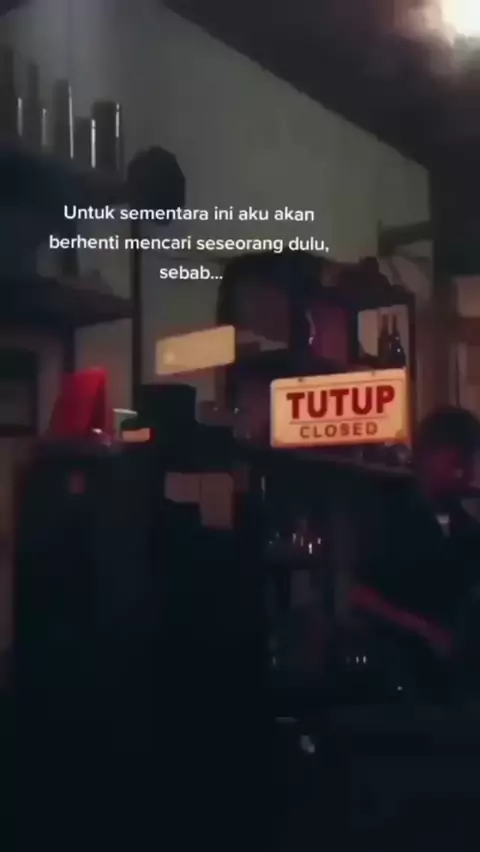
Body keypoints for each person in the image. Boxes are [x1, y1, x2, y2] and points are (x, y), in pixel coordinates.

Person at [351, 406, 480, 667]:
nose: (465, 474)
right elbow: (359, 595)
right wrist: (426, 630)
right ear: (428, 457)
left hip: (455, 671)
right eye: (455, 463)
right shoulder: (389, 516)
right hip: (396, 668)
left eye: (469, 464)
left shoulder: (467, 526)